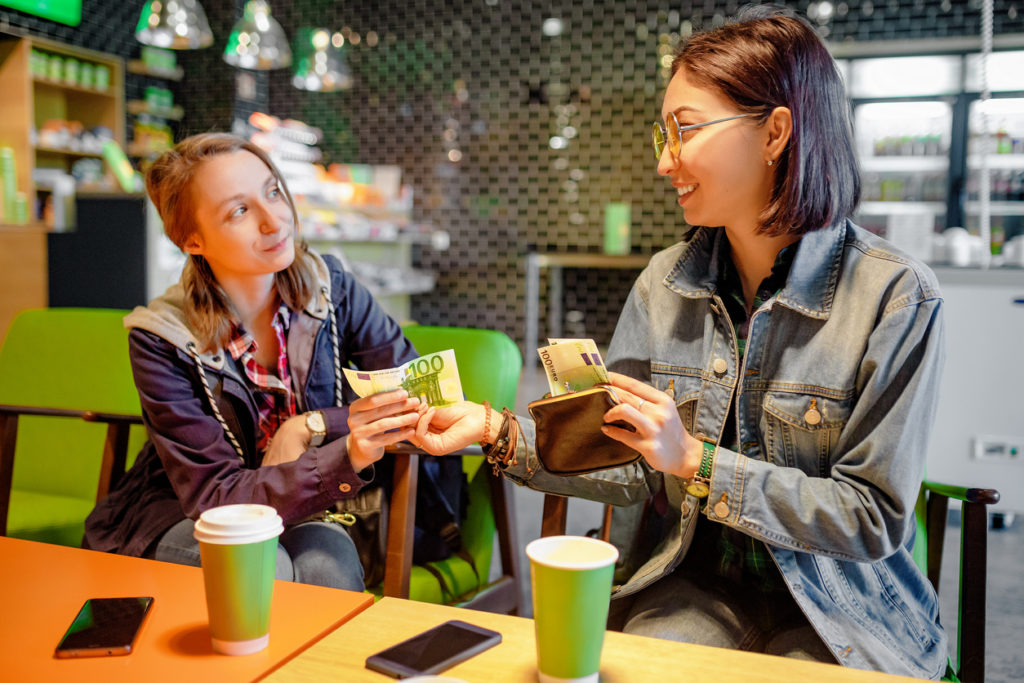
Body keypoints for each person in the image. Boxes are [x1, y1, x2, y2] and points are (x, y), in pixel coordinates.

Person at [412, 7, 948, 679]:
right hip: (693, 587)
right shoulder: (662, 284)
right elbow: (625, 454)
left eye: (684, 130)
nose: (665, 162)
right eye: (663, 134)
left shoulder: (897, 296)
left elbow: (872, 515)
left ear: (775, 132)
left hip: (841, 608)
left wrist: (695, 459)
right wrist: (493, 429)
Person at [84, 133, 426, 591]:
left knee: (329, 564)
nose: (274, 221)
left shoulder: (333, 288)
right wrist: (345, 451)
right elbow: (213, 495)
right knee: (264, 569)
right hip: (184, 513)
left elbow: (416, 390)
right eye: (239, 211)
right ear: (192, 240)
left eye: (272, 191)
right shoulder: (161, 337)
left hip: (312, 502)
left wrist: (312, 425)